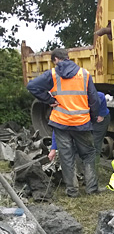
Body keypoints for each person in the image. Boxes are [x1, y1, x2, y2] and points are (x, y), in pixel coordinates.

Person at [27, 48, 100, 197]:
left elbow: (32, 86)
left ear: (55, 60)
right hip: (81, 122)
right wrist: (92, 119)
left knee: (67, 157)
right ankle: (91, 189)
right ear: (68, 57)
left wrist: (49, 100)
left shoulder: (52, 74)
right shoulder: (84, 74)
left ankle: (72, 191)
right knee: (89, 154)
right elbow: (94, 100)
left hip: (61, 123)